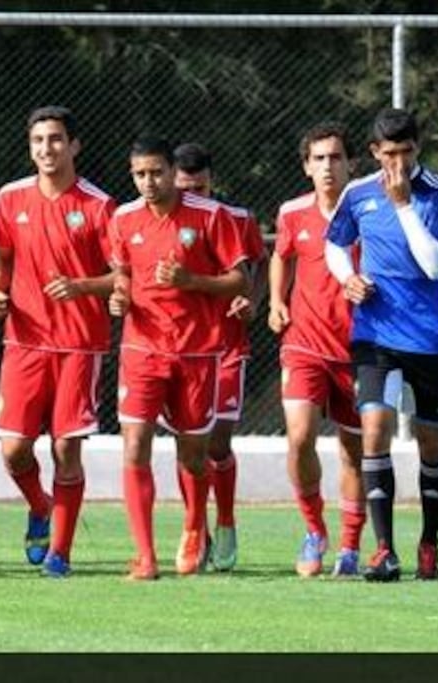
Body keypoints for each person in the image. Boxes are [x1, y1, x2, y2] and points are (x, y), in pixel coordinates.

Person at [324, 108, 438, 582]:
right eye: (389, 154)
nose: (398, 163)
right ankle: (383, 549)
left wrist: (403, 205)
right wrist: (349, 278)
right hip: (376, 337)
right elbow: (335, 244)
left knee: (431, 443)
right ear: (374, 153)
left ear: (417, 148)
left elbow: (436, 266)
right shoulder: (357, 193)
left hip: (428, 339)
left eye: (406, 152)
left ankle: (429, 542)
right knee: (375, 430)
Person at [108, 136, 249, 580]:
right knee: (134, 446)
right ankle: (145, 556)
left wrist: (191, 280)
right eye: (139, 174)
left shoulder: (211, 217)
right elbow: (121, 278)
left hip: (196, 351)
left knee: (193, 454)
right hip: (141, 350)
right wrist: (118, 298)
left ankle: (194, 526)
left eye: (156, 173)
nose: (148, 182)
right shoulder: (123, 219)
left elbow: (239, 280)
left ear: (172, 172)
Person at [0, 106, 116, 577]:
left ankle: (60, 552)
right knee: (14, 449)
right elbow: (2, 259)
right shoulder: (10, 198)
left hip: (80, 344)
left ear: (74, 145)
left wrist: (82, 287)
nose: (47, 149)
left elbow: (123, 276)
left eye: (56, 139)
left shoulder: (98, 206)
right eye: (39, 140)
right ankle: (40, 506)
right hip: (24, 342)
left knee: (66, 449)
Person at [269, 122, 366, 577]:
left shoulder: (370, 211)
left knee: (353, 449)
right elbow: (280, 256)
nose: (328, 166)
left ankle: (349, 546)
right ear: (307, 166)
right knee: (299, 436)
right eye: (319, 158)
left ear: (351, 163)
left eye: (336, 157)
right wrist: (275, 301)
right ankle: (314, 530)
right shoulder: (292, 213)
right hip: (304, 344)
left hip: (357, 348)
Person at [172, 143, 267, 571]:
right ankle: (196, 529)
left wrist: (254, 302)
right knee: (186, 444)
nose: (194, 195)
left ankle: (225, 519)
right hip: (182, 350)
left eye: (201, 187)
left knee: (218, 440)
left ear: (212, 182)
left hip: (227, 347)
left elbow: (260, 268)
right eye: (186, 187)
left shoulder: (238, 219)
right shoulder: (164, 219)